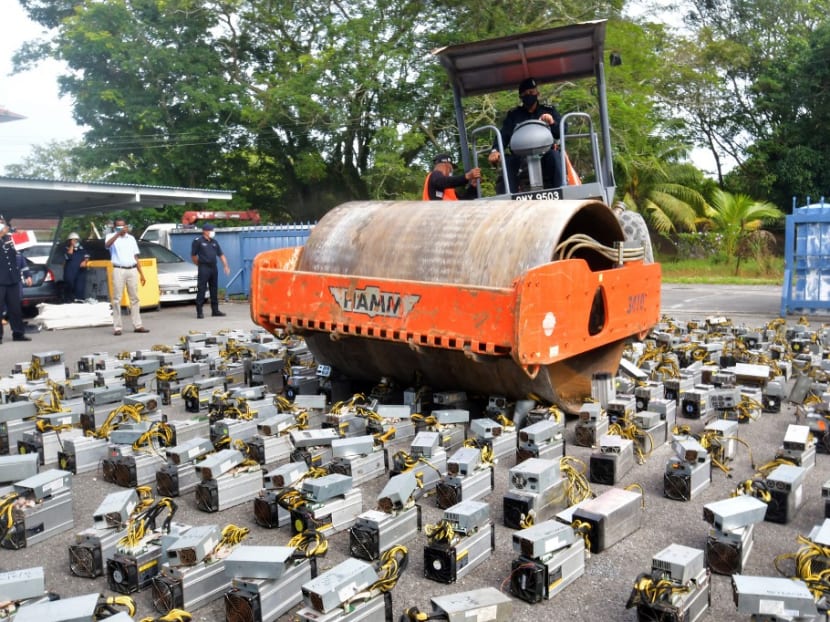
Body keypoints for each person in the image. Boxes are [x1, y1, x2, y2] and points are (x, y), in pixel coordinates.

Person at [488, 77, 563, 193]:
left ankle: (561, 190)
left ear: (537, 93)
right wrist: (495, 150)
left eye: (531, 92)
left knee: (555, 156)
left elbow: (561, 132)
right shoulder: (513, 115)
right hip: (520, 157)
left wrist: (552, 122)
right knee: (508, 161)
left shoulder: (549, 110)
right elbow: (503, 135)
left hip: (545, 154)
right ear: (521, 97)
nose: (529, 95)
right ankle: (507, 198)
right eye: (525, 93)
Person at [105, 218, 149, 335]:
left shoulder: (131, 238)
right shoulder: (111, 237)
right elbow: (107, 245)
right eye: (119, 227)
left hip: (132, 269)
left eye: (123, 226)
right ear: (115, 228)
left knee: (134, 298)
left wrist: (141, 273)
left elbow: (135, 256)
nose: (122, 229)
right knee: (117, 299)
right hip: (118, 269)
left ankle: (138, 325)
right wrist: (117, 234)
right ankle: (117, 327)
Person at [0, 216, 32, 342]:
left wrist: (27, 274)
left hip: (13, 279)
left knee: (15, 308)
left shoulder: (11, 239)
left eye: (2, 222)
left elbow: (21, 257)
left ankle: (18, 333)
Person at [191, 223, 230, 319]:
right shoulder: (198, 241)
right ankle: (199, 312)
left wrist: (226, 266)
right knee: (202, 289)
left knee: (214, 289)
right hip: (204, 267)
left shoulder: (214, 242)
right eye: (210, 230)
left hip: (213, 267)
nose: (212, 232)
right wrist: (199, 264)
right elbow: (193, 255)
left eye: (213, 230)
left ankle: (215, 310)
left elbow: (221, 255)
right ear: (205, 231)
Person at [63, 232, 90, 302]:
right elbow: (68, 256)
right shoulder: (66, 248)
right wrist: (72, 245)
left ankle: (79, 300)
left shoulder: (81, 248)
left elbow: (87, 255)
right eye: (74, 240)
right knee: (69, 286)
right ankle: (68, 300)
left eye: (76, 240)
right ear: (70, 241)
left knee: (80, 287)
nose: (75, 241)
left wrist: (85, 261)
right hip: (70, 271)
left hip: (80, 271)